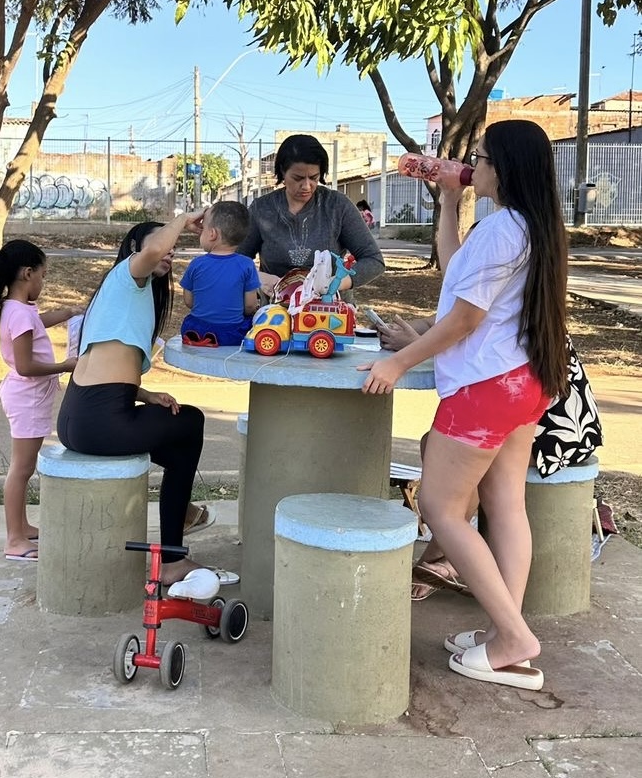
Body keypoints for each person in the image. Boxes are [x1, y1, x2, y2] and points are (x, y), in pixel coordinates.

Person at [359, 120, 569, 691]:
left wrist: (399, 362)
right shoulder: (527, 225)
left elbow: (465, 318)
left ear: (505, 168)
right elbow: (457, 274)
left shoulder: (503, 230)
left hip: (485, 388)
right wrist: (450, 201)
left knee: (441, 506)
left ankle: (514, 638)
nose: (472, 166)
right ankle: (505, 635)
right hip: (523, 380)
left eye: (481, 158)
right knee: (505, 506)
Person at [56, 212, 238, 588]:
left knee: (177, 444)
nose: (168, 251)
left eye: (171, 247)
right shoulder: (128, 274)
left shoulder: (122, 293)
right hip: (102, 422)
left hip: (78, 416)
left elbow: (104, 370)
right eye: (162, 244)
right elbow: (154, 249)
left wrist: (147, 395)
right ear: (136, 250)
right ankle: (173, 556)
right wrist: (183, 219)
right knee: (192, 421)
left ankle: (180, 512)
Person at [378, 316, 603, 601]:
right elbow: (443, 321)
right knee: (447, 450)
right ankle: (446, 557)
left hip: (558, 432)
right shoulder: (516, 301)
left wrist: (416, 347)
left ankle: (443, 555)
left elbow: (471, 340)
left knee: (456, 457)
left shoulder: (502, 304)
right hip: (538, 415)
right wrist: (400, 330)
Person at [0, 240, 83, 561]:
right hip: (26, 397)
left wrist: (69, 312)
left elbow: (38, 322)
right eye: (43, 276)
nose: (43, 283)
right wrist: (65, 365)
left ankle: (22, 526)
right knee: (21, 468)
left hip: (29, 396)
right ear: (27, 273)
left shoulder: (18, 308)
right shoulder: (18, 313)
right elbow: (26, 366)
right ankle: (14, 540)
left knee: (25, 467)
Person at [237, 133, 385, 297]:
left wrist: (333, 283)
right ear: (283, 172)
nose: (307, 186)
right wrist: (259, 278)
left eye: (314, 178)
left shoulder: (337, 205)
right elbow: (234, 262)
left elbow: (374, 260)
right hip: (275, 309)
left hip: (330, 307)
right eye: (298, 178)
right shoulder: (262, 209)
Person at [179, 200, 260, 347]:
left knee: (191, 319)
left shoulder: (196, 264)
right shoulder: (247, 264)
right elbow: (250, 305)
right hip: (232, 333)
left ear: (212, 234)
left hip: (197, 331)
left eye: (202, 228)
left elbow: (189, 301)